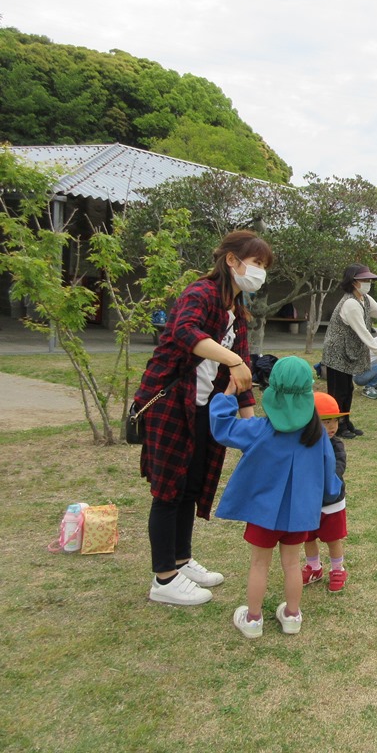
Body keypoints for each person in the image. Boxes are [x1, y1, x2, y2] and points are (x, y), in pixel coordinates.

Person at [137, 229, 271, 606]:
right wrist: (232, 358)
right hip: (169, 402)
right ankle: (163, 579)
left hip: (201, 407)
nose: (259, 272)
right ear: (232, 260)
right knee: (167, 490)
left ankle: (180, 561)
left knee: (190, 486)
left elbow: (241, 381)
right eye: (256, 263)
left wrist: (252, 434)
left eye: (263, 266)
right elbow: (183, 331)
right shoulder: (201, 293)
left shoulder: (237, 312)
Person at [210, 356, 342, 639]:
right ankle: (292, 616)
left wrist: (228, 394)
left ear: (274, 392)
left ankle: (253, 619)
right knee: (292, 563)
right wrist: (329, 494)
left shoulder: (259, 430)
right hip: (299, 515)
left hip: (262, 514)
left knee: (259, 564)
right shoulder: (317, 435)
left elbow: (222, 427)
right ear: (308, 393)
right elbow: (329, 472)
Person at [322, 264, 377, 439]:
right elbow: (363, 332)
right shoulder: (350, 303)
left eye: (369, 280)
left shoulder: (364, 299)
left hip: (348, 352)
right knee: (338, 391)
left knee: (348, 389)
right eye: (364, 280)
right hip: (337, 352)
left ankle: (346, 421)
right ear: (353, 282)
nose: (368, 283)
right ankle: (337, 426)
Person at [302, 392, 349, 593]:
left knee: (332, 538)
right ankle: (314, 567)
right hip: (308, 501)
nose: (331, 427)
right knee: (308, 537)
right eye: (326, 421)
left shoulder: (335, 444)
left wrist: (323, 476)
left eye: (335, 421)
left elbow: (338, 467)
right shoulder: (304, 443)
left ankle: (338, 569)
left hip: (331, 501)